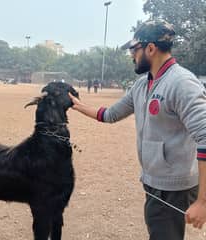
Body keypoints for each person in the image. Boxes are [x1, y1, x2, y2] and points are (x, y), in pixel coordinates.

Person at [69, 19, 206, 240]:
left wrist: (202, 202)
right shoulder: (142, 85)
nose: (131, 55)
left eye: (134, 49)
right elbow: (110, 114)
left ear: (150, 49)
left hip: (172, 186)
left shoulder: (182, 84)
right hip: (155, 180)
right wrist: (77, 105)